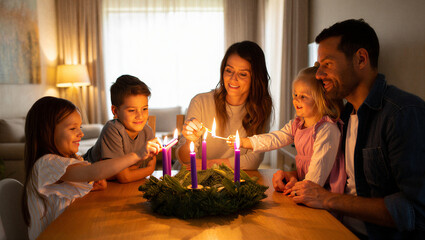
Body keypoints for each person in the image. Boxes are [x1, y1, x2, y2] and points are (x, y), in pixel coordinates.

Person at [291, 19, 425, 238]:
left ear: (361, 59)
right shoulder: (342, 116)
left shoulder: (403, 113)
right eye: (318, 66)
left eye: (327, 64)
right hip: (335, 226)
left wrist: (327, 199)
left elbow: (416, 210)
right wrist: (296, 178)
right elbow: (332, 171)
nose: (318, 75)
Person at [22, 96, 161, 240]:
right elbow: (93, 171)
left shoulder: (72, 160)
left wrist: (94, 183)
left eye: (80, 127)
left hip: (73, 229)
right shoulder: (46, 163)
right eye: (72, 128)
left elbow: (94, 178)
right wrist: (137, 155)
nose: (81, 133)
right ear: (47, 132)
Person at [228, 66, 346, 195]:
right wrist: (246, 142)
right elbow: (276, 138)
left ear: (324, 100)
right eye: (295, 94)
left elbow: (319, 170)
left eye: (303, 96)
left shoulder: (327, 129)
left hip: (322, 192)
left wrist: (301, 190)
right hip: (305, 187)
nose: (296, 100)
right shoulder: (297, 124)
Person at [175, 41, 273, 170]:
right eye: (229, 70)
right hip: (194, 178)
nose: (233, 79)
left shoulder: (261, 107)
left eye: (242, 74)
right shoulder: (200, 102)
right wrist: (189, 141)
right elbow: (185, 161)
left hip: (232, 178)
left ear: (255, 78)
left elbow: (253, 160)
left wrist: (210, 164)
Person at [84, 75, 156, 183]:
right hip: (83, 177)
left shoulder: (147, 132)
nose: (140, 116)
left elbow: (125, 174)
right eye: (132, 110)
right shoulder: (112, 130)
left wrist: (127, 171)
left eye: (144, 109)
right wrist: (149, 170)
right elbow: (124, 177)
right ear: (115, 111)